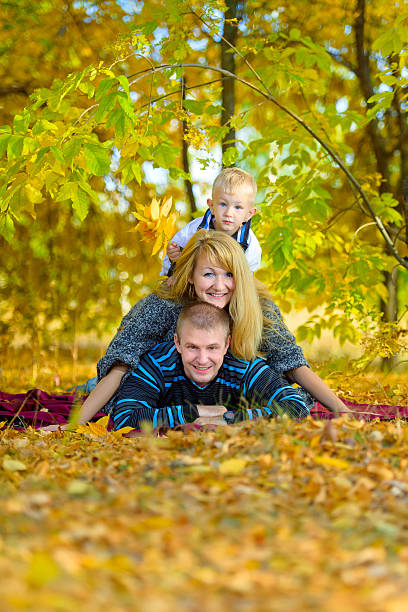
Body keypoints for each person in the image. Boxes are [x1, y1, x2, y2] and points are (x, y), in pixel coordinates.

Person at [55, 229, 347, 431]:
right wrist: (77, 423)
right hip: (149, 386)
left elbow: (292, 363)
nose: (219, 286)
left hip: (228, 388)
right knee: (94, 391)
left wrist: (342, 411)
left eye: (229, 275)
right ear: (192, 276)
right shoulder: (162, 305)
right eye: (208, 274)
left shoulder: (258, 309)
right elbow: (121, 363)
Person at [112, 302, 309, 430]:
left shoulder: (244, 366)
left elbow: (296, 407)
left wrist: (229, 418)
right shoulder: (158, 363)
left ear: (227, 344)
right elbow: (125, 415)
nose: (203, 359)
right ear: (177, 343)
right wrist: (197, 412)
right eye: (192, 347)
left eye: (212, 347)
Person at [161, 167, 261, 275]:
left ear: (249, 214)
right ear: (212, 206)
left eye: (237, 207)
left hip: (227, 288)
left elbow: (246, 278)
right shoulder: (194, 230)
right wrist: (174, 259)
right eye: (223, 204)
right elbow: (171, 260)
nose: (228, 213)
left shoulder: (249, 244)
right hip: (191, 282)